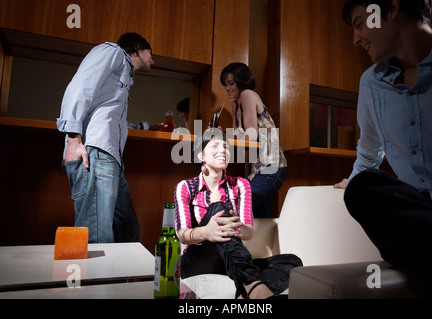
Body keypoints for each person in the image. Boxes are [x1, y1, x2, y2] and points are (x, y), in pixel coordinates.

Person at [336, 0, 432, 296]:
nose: (355, 38)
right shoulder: (371, 84)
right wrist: (353, 181)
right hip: (416, 221)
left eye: (360, 23)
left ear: (391, 8)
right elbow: (368, 154)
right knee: (362, 188)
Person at [174, 129, 302, 299]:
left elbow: (249, 231)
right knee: (218, 207)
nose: (223, 151)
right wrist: (207, 232)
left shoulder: (241, 184)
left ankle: (243, 295)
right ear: (201, 156)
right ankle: (252, 284)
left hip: (230, 260)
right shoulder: (185, 187)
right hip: (198, 260)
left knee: (292, 262)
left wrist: (240, 229)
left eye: (225, 147)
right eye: (215, 146)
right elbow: (182, 234)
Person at [57, 33, 154, 243]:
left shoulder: (124, 75)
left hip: (111, 160)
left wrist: (145, 127)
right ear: (137, 47)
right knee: (97, 235)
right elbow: (80, 87)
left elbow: (107, 116)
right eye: (150, 53)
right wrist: (73, 139)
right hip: (95, 155)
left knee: (128, 231)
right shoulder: (112, 52)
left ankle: (118, 277)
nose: (152, 60)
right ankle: (95, 277)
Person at [220, 62, 287, 218]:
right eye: (225, 85)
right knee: (261, 221)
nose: (227, 88)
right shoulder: (236, 104)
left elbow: (251, 136)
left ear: (241, 80)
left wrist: (225, 136)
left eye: (231, 83)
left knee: (236, 205)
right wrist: (221, 134)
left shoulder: (247, 94)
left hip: (271, 167)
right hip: (258, 170)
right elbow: (239, 139)